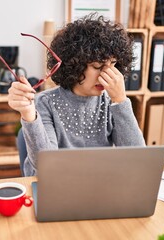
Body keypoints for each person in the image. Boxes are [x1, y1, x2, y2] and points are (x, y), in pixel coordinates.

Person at [8, 13, 145, 176]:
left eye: (113, 64)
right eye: (97, 66)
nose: (107, 74)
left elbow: (137, 158)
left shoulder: (111, 103)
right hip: (54, 183)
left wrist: (121, 100)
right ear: (75, 66)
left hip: (95, 184)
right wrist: (28, 114)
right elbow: (44, 164)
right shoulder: (45, 102)